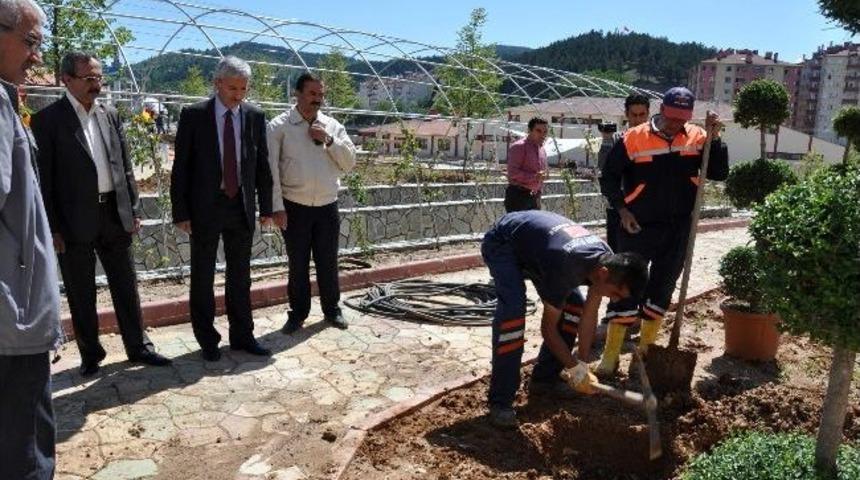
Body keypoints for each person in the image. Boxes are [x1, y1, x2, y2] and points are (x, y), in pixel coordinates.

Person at [32, 52, 172, 376]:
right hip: (73, 221)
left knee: (126, 284)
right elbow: (45, 181)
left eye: (99, 78)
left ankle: (139, 347)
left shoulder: (110, 114)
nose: (97, 85)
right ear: (66, 80)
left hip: (114, 213)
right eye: (89, 78)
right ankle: (90, 354)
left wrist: (134, 208)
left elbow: (125, 168)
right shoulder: (48, 121)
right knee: (81, 291)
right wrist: (52, 228)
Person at [595, 87, 729, 376]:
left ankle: (643, 356)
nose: (674, 125)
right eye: (670, 118)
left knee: (662, 288)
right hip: (637, 226)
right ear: (662, 110)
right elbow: (609, 177)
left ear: (689, 117)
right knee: (624, 287)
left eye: (681, 120)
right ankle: (610, 357)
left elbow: (718, 173)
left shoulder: (697, 137)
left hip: (679, 227)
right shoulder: (634, 137)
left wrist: (715, 139)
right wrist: (622, 209)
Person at [482, 210, 648, 427]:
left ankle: (545, 379)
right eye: (616, 293)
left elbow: (589, 314)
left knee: (574, 307)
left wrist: (583, 363)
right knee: (513, 315)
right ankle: (500, 402)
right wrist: (573, 368)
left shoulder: (605, 259)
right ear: (604, 274)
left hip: (539, 249)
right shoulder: (564, 267)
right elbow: (548, 330)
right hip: (503, 243)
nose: (615, 300)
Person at [171, 56, 274, 361]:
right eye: (232, 88)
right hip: (205, 206)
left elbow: (262, 166)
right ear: (217, 84)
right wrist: (181, 211)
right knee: (202, 275)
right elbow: (182, 167)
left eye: (243, 88)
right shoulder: (194, 115)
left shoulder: (254, 116)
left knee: (240, 275)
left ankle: (242, 335)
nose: (238, 94)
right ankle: (208, 340)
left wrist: (266, 206)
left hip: (240, 205)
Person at [0, 0, 62, 477]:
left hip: (15, 314)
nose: (37, 56)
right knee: (24, 451)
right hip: (11, 319)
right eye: (32, 41)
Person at [268, 72, 356, 334]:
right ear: (297, 94)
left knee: (328, 262)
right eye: (312, 94)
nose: (318, 99)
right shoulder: (279, 127)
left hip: (327, 206)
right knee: (298, 265)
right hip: (294, 207)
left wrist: (329, 140)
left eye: (321, 94)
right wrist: (277, 207)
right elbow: (271, 171)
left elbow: (349, 162)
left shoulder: (332, 126)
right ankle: (298, 313)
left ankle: (332, 310)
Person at [598, 93, 651, 252]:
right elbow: (605, 169)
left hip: (645, 206)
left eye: (642, 115)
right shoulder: (616, 140)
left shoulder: (654, 140)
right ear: (627, 115)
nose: (638, 119)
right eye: (634, 115)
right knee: (618, 253)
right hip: (618, 206)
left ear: (648, 114)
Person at [505, 117, 548, 212]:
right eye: (538, 131)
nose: (542, 135)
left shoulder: (542, 150)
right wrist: (534, 177)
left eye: (545, 132)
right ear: (529, 130)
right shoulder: (519, 147)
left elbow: (541, 173)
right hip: (519, 196)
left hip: (534, 197)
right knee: (518, 227)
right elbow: (512, 173)